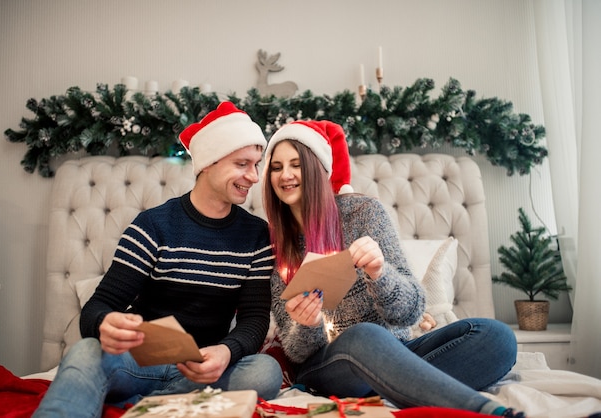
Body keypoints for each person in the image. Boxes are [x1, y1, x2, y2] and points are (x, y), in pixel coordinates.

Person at [261, 119, 526, 418]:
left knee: (494, 336)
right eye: (276, 167)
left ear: (316, 167)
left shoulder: (364, 214)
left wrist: (380, 273)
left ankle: (398, 386)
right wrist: (306, 324)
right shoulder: (274, 246)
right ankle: (490, 412)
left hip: (397, 353)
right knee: (365, 336)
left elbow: (411, 312)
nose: (285, 175)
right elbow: (297, 353)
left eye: (296, 164)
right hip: (328, 367)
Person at [33, 102, 283, 418]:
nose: (254, 176)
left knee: (265, 371)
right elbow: (98, 307)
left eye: (257, 164)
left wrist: (226, 351)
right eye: (242, 164)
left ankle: (151, 405)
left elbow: (254, 319)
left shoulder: (257, 236)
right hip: (141, 361)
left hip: (205, 367)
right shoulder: (153, 225)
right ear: (208, 163)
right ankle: (164, 401)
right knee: (85, 350)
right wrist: (104, 323)